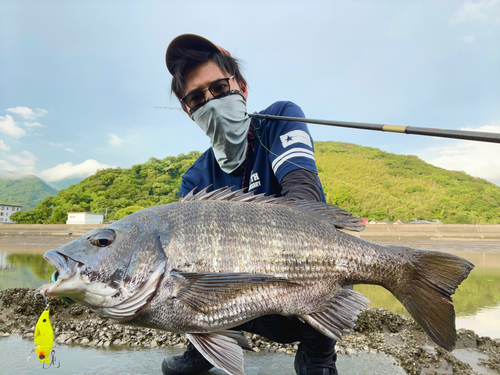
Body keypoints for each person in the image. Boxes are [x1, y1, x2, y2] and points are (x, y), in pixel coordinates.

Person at [162, 34, 337, 375]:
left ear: (241, 86)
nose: (210, 100)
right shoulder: (194, 179)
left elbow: (305, 196)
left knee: (324, 251)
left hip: (302, 280)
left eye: (219, 87)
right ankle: (203, 347)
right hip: (237, 298)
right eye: (197, 97)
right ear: (188, 111)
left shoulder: (281, 118)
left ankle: (318, 352)